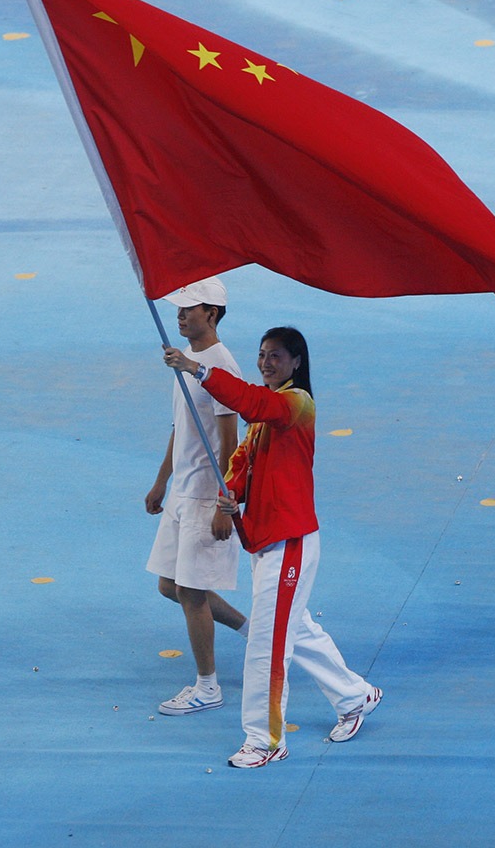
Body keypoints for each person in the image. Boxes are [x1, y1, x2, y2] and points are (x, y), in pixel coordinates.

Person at [164, 325, 381, 768]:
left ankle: (264, 739)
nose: (266, 362)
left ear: (297, 363)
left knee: (266, 642)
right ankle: (354, 695)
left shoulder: (294, 404)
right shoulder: (266, 418)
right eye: (262, 355)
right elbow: (243, 460)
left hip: (290, 544)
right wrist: (232, 495)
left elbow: (251, 402)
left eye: (276, 356)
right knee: (294, 630)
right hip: (269, 544)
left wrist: (199, 370)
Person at [145, 278, 248, 716]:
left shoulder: (220, 364)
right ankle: (255, 630)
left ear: (214, 313)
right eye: (179, 308)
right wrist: (161, 480)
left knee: (190, 591)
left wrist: (227, 502)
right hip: (182, 492)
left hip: (208, 496)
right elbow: (180, 428)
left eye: (191, 308)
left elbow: (231, 440)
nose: (181, 315)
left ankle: (208, 687)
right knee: (170, 585)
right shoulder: (186, 362)